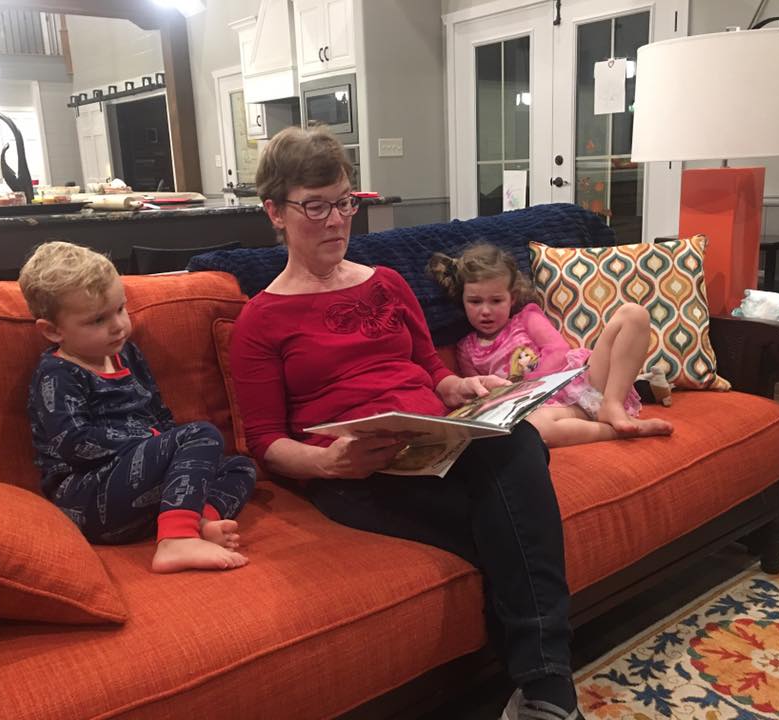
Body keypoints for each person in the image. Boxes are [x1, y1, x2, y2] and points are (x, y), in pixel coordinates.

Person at [229, 125, 585, 720]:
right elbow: (265, 442)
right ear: (275, 212)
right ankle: (549, 691)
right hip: (359, 473)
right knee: (512, 521)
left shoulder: (388, 283)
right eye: (315, 207)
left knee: (517, 439)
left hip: (440, 443)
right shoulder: (259, 321)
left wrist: (460, 387)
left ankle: (544, 691)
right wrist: (327, 461)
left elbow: (428, 366)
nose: (336, 221)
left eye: (344, 202)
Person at [20, 241, 256, 573]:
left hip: (143, 495)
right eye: (98, 319)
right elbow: (76, 443)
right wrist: (158, 442)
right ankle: (176, 540)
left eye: (120, 309)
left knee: (240, 467)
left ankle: (199, 521)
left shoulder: (127, 353)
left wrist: (172, 448)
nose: (118, 325)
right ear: (52, 331)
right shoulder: (57, 374)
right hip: (88, 496)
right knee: (201, 434)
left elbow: (157, 412)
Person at [428, 244, 674, 448]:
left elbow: (558, 351)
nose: (485, 311)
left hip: (581, 381)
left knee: (634, 314)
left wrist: (527, 386)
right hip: (545, 410)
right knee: (535, 431)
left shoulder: (526, 317)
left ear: (512, 298)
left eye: (496, 300)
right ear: (462, 300)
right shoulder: (467, 348)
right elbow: (480, 397)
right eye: (475, 301)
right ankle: (619, 431)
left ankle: (613, 404)